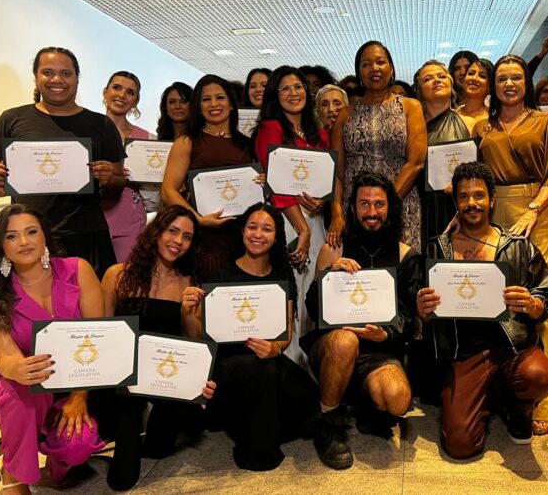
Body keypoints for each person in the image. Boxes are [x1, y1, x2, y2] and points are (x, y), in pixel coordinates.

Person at [416, 162, 548, 459]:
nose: (471, 203)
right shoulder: (436, 250)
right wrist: (422, 309)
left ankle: (518, 410)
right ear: (455, 202)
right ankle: (490, 397)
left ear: (492, 199)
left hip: (512, 348)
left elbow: (544, 301)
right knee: (460, 445)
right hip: (464, 355)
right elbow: (422, 310)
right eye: (464, 197)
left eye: (478, 195)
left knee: (538, 376)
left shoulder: (518, 247)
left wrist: (531, 304)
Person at [471, 54, 548, 435]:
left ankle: (543, 398)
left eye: (516, 77)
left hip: (535, 211)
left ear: (526, 83)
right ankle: (503, 388)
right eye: (502, 78)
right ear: (493, 86)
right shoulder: (483, 127)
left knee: (537, 301)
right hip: (494, 211)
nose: (509, 84)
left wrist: (533, 210)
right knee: (496, 301)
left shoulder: (545, 122)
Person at [0, 205, 106, 492]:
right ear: (0, 245)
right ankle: (13, 478)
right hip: (16, 387)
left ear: (44, 235)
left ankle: (54, 457)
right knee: (21, 399)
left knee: (77, 444)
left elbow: (100, 339)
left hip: (71, 385)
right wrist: (17, 369)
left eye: (31, 232)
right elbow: (6, 357)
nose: (24, 242)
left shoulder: (77, 270)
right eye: (11, 236)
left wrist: (79, 396)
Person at [182, 203, 318, 471]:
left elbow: (286, 335)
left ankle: (248, 423)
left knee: (308, 396)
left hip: (266, 355)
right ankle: (259, 453)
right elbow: (198, 336)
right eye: (252, 227)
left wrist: (275, 349)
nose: (258, 234)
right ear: (242, 231)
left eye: (267, 229)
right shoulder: (220, 274)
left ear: (276, 236)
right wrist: (187, 313)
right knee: (260, 370)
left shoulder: (282, 278)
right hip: (228, 363)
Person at [303, 171, 418, 469]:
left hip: (377, 351)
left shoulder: (405, 255)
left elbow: (408, 316)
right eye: (364, 204)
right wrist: (328, 277)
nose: (371, 212)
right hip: (333, 345)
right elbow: (312, 310)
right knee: (345, 340)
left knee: (397, 399)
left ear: (390, 208)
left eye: (379, 204)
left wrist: (387, 336)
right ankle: (327, 423)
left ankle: (362, 403)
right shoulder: (333, 249)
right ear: (352, 208)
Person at [99, 205, 215, 490]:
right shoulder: (117, 275)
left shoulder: (190, 283)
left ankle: (155, 429)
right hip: (123, 373)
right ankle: (124, 454)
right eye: (172, 231)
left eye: (187, 237)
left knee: (168, 441)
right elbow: (103, 332)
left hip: (165, 374)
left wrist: (189, 312)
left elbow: (194, 341)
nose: (178, 241)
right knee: (127, 402)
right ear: (156, 232)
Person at [0, 47, 125, 278]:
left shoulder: (102, 125)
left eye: (66, 73)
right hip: (28, 237)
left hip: (86, 234)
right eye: (48, 72)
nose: (57, 79)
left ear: (77, 79)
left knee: (91, 309)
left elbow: (118, 183)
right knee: (34, 308)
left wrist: (110, 178)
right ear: (36, 77)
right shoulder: (11, 119)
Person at [254, 66, 330, 363]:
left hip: (316, 222)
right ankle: (291, 365)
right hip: (288, 222)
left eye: (298, 87)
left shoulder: (318, 131)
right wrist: (303, 230)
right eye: (285, 88)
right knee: (292, 297)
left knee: (313, 291)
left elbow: (327, 177)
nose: (293, 93)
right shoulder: (270, 128)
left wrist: (323, 202)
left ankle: (313, 367)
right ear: (275, 95)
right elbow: (277, 184)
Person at [328, 41, 427, 251]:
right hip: (357, 212)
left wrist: (387, 204)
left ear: (391, 68)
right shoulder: (345, 115)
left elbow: (416, 162)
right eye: (366, 64)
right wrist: (337, 213)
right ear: (359, 73)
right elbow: (337, 173)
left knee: (402, 270)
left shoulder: (410, 107)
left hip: (400, 205)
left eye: (380, 62)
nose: (374, 68)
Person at [161, 74, 256, 271]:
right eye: (206, 99)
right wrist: (198, 219)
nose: (214, 104)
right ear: (199, 106)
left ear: (231, 103)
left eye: (220, 97)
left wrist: (261, 181)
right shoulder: (186, 143)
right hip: (204, 239)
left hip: (243, 237)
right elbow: (168, 191)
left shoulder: (248, 144)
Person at [100, 71, 155, 263]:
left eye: (130, 92)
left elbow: (154, 189)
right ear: (105, 92)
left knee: (125, 280)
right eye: (117, 88)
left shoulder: (147, 140)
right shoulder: (86, 131)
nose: (122, 95)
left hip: (130, 217)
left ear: (135, 101)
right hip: (91, 214)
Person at [413, 60, 470, 243]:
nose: (436, 80)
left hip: (459, 205)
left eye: (442, 76)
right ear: (419, 91)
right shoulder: (411, 128)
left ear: (451, 84)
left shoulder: (470, 123)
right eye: (428, 78)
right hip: (421, 207)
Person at [458, 59, 493, 132]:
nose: (474, 78)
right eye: (471, 73)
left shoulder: (493, 118)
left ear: (490, 84)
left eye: (482, 76)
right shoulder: (454, 113)